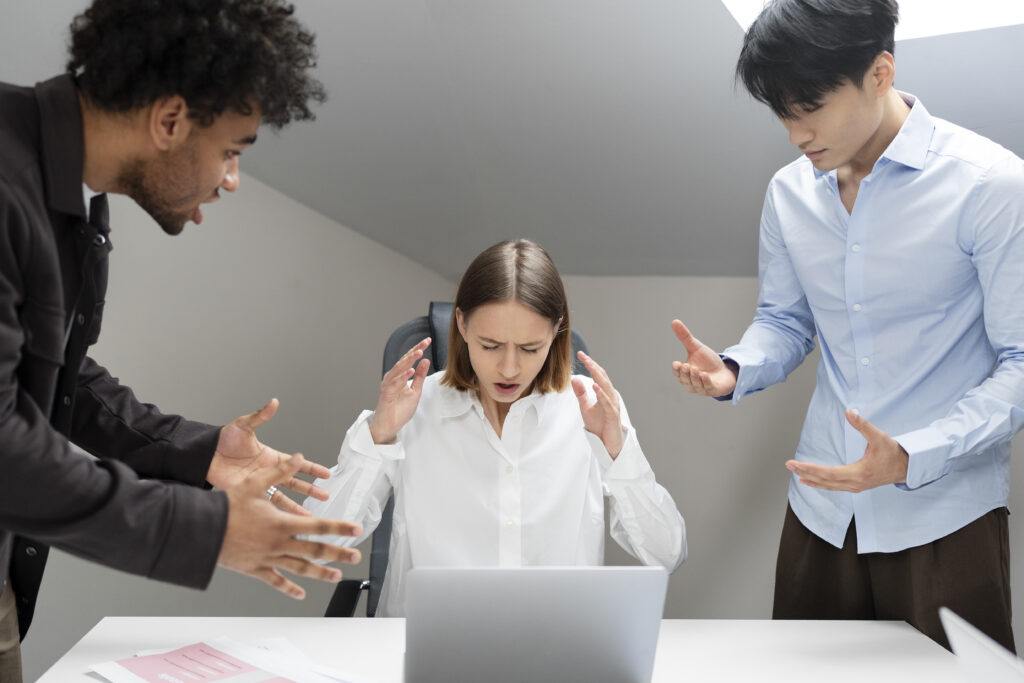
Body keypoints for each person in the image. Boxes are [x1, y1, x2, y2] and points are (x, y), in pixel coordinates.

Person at [0, 2, 365, 679]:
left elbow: (56, 375)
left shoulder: (69, 191)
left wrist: (196, 454)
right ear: (169, 121)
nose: (230, 179)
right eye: (230, 152)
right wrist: (210, 528)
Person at [670, 0, 1024, 651]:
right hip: (822, 509)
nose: (796, 133)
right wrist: (735, 368)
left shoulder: (990, 186)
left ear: (880, 72)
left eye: (810, 107)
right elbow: (785, 320)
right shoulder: (788, 193)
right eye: (782, 112)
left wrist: (914, 452)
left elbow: (1021, 365)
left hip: (945, 512)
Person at [305, 240, 686, 616]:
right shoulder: (415, 408)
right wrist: (378, 436)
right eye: (490, 345)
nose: (508, 369)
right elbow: (315, 541)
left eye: (530, 348)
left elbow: (667, 554)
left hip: (555, 655)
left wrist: (618, 454)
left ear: (556, 333)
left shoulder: (589, 412)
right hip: (429, 653)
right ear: (461, 325)